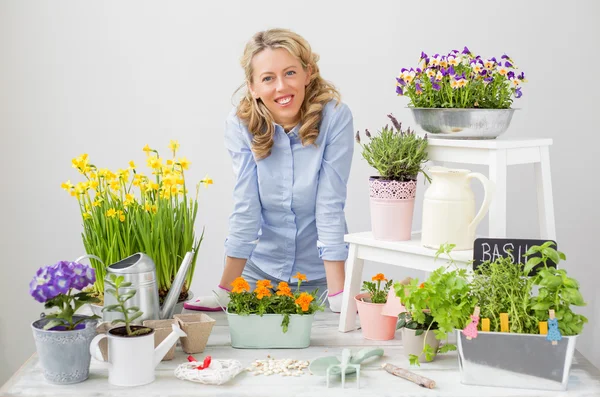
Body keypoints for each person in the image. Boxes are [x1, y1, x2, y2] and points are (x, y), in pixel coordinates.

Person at [185, 28, 354, 313]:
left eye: (290, 73)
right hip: (257, 276)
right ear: (252, 87)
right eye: (267, 78)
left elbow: (329, 204)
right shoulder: (240, 124)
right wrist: (226, 290)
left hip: (319, 280)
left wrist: (339, 294)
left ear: (307, 73)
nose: (281, 87)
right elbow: (246, 205)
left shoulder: (335, 117)